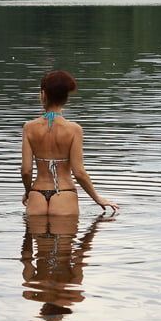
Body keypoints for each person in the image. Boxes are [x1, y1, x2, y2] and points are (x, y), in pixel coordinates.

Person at [21, 70, 119, 216]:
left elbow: (26, 170)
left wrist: (28, 192)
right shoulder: (74, 130)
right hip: (65, 195)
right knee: (68, 237)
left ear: (43, 95)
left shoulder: (29, 127)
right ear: (66, 98)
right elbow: (79, 173)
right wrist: (97, 198)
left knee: (32, 236)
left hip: (37, 196)